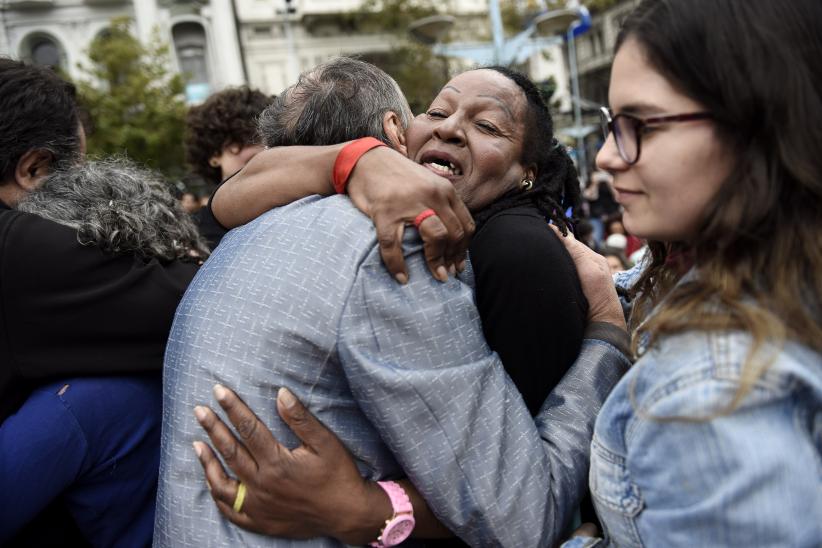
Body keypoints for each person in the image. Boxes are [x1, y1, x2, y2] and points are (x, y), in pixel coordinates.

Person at [194, 0, 822, 546]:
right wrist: (353, 159)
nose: (606, 155)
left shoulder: (517, 258)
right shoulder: (677, 279)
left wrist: (373, 510)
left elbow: (517, 506)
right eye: (436, 110)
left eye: (641, 126)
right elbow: (230, 198)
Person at [156, 58, 630, 547]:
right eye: (436, 110)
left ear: (528, 171)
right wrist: (608, 338)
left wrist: (367, 508)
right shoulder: (392, 243)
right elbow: (521, 515)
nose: (449, 128)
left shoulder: (256, 228)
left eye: (487, 125)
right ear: (396, 130)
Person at [184, 85, 272, 247]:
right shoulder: (195, 236)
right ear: (214, 154)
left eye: (268, 136)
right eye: (247, 137)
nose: (261, 147)